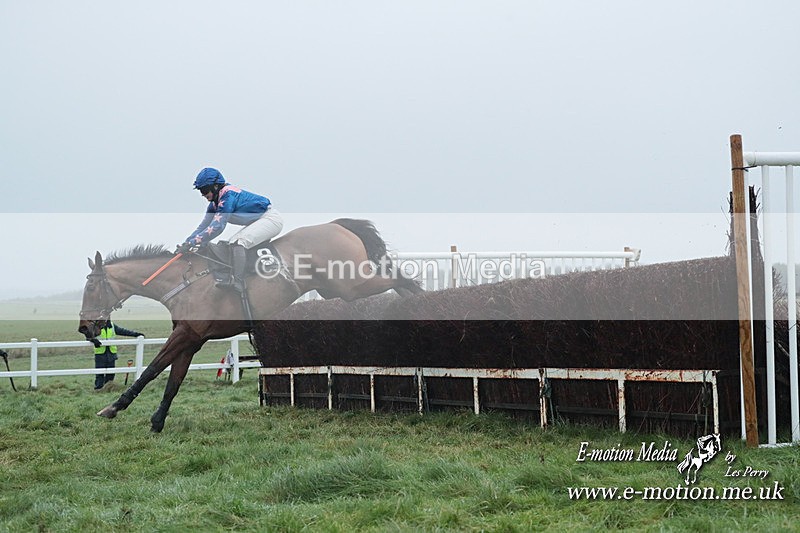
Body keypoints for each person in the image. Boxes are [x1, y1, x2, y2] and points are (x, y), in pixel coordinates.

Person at [177, 167, 284, 292]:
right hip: (258, 221)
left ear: (216, 186)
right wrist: (187, 242)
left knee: (238, 243)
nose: (203, 194)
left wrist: (193, 242)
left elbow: (217, 227)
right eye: (201, 190)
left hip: (270, 219)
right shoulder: (214, 204)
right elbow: (204, 226)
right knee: (230, 243)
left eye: (205, 190)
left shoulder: (228, 196)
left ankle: (239, 283)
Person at [91, 320, 143, 390]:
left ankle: (108, 388)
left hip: (111, 353)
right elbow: (88, 335)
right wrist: (93, 339)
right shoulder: (95, 326)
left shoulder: (112, 326)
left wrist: (136, 334)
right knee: (99, 374)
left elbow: (123, 331)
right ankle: (98, 389)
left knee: (111, 373)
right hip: (100, 354)